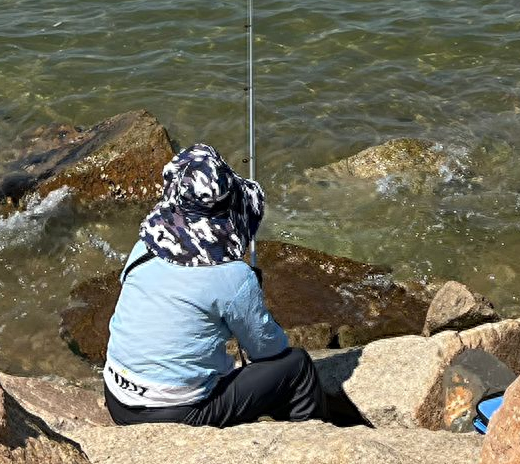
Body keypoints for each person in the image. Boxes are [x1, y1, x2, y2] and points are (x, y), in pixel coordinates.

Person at [103, 143, 362, 428]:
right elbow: (268, 351)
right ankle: (309, 440)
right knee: (298, 367)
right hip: (177, 414)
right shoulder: (233, 276)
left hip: (117, 397)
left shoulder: (144, 246)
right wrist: (250, 295)